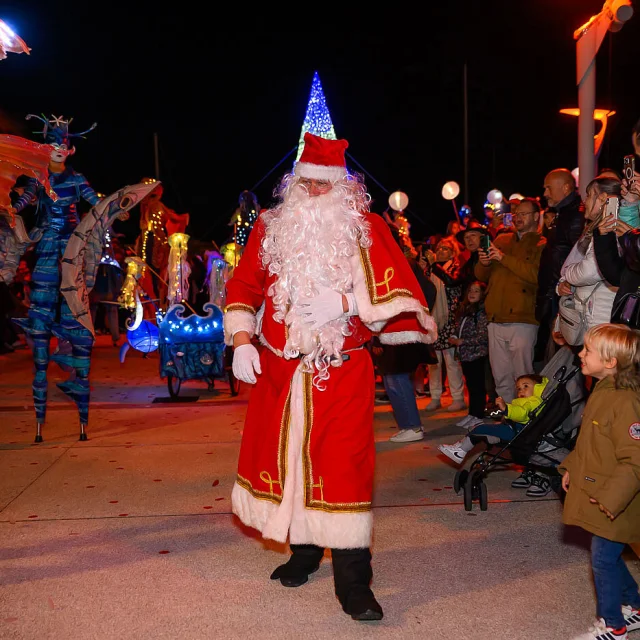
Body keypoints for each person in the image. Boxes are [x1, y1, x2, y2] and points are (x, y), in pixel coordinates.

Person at [223, 132, 436, 621]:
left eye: (324, 184)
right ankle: (303, 552)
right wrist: (240, 341)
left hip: (341, 371)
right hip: (279, 368)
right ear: (293, 183)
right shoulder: (272, 226)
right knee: (287, 464)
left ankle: (354, 580)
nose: (314, 193)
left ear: (343, 187)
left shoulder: (365, 226)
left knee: (342, 469)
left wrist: (347, 302)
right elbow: (244, 284)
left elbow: (401, 288)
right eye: (307, 183)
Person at [559, 324, 640, 640]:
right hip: (600, 490)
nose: (581, 353)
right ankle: (634, 605)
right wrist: (571, 467)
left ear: (611, 362)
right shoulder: (604, 389)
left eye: (588, 350)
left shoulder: (626, 403)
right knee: (608, 555)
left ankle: (613, 626)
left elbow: (635, 458)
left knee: (603, 559)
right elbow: (590, 443)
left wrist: (612, 498)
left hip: (619, 500)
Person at [475, 197, 546, 403]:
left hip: (523, 319)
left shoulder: (542, 243)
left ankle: (527, 421)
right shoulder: (502, 239)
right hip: (496, 317)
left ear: (535, 217)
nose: (518, 218)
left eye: (524, 214)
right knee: (501, 378)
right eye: (516, 214)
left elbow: (536, 276)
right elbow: (481, 275)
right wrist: (484, 262)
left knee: (524, 378)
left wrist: (503, 258)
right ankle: (508, 420)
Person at [373, 223, 438, 444]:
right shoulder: (380, 262)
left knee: (398, 378)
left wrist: (415, 315)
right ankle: (406, 424)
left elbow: (429, 290)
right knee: (391, 379)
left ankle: (412, 425)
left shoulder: (403, 263)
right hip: (387, 330)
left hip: (402, 331)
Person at [556, 177, 622, 343]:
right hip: (592, 314)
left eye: (589, 195)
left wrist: (568, 273)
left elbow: (590, 270)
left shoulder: (612, 228)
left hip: (600, 318)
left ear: (602, 198)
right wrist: (564, 282)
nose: (585, 201)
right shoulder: (596, 228)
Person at [438, 373, 548, 468]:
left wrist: (506, 408)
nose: (521, 390)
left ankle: (460, 451)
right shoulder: (526, 401)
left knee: (481, 428)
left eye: (525, 386)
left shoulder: (534, 401)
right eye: (519, 388)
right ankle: (461, 446)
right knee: (480, 427)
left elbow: (522, 414)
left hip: (519, 433)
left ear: (538, 388)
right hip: (516, 429)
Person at [536, 168, 585, 363]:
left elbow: (579, 257)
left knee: (565, 360)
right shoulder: (563, 215)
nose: (545, 193)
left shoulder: (574, 217)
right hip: (556, 295)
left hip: (564, 298)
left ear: (565, 187)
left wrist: (567, 289)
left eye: (548, 188)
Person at [426, 237, 467, 412]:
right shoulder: (430, 269)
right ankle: (435, 395)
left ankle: (457, 397)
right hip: (433, 319)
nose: (441, 251)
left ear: (453, 252)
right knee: (434, 362)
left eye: (445, 249)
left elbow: (452, 282)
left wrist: (435, 265)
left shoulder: (456, 268)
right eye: (439, 248)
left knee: (451, 361)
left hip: (450, 318)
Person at [448, 281, 489, 429]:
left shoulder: (481, 313)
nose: (472, 293)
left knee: (477, 387)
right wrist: (454, 336)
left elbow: (483, 337)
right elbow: (460, 328)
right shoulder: (466, 310)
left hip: (476, 355)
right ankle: (472, 414)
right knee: (471, 386)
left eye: (476, 291)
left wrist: (463, 341)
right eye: (470, 290)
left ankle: (478, 415)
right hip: (466, 355)